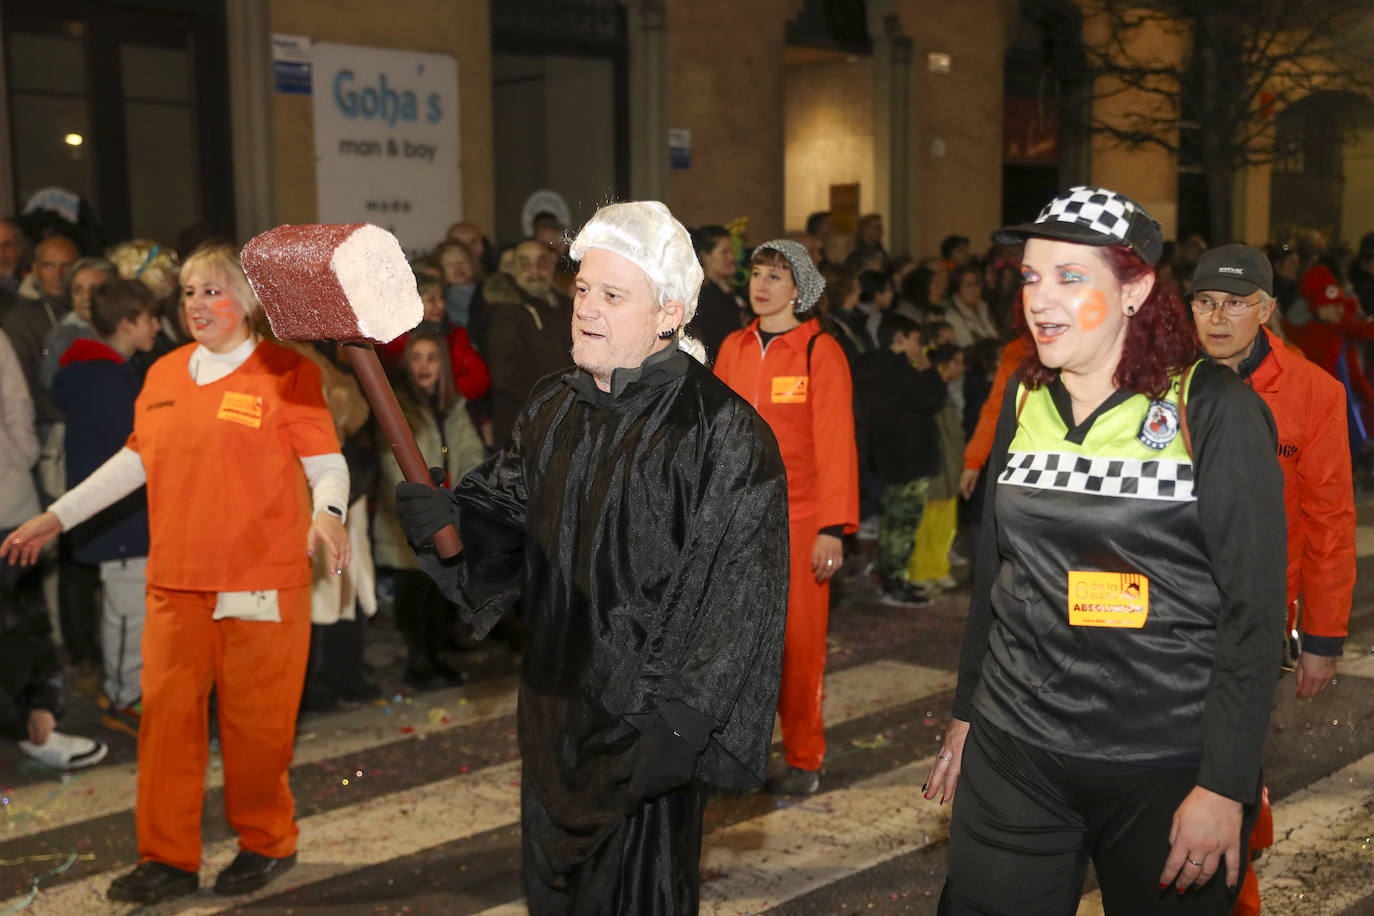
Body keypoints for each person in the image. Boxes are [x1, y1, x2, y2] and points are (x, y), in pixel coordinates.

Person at [393, 200, 788, 913]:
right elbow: (505, 521)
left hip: (643, 739)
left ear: (668, 313)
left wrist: (682, 726)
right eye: (582, 290)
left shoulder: (724, 433)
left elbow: (741, 597)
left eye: (612, 295)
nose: (586, 309)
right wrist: (446, 517)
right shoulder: (553, 407)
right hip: (552, 721)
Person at [925, 187, 1285, 914]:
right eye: (1030, 276)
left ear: (1136, 289)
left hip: (1164, 760)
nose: (1040, 299)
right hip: (1016, 745)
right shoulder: (1023, 400)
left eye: (1069, 276)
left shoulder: (1212, 407)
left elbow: (1254, 612)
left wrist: (1225, 785)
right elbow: (995, 574)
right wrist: (968, 714)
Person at [1, 244, 350, 905]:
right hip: (177, 583)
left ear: (247, 303)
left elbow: (326, 464)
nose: (198, 305)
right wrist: (57, 517)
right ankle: (167, 858)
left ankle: (266, 842)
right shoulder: (160, 375)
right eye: (189, 293)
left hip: (260, 583)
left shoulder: (285, 372)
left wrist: (328, 515)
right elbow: (135, 462)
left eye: (214, 292)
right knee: (165, 727)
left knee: (255, 729)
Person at [1187, 245, 1356, 916]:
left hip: (1254, 624)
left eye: (1237, 303)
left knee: (1223, 768)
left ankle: (1236, 884)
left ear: (1265, 310)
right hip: (1167, 614)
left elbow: (1329, 521)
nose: (1220, 317)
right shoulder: (1160, 383)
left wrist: (1322, 634)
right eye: (1206, 303)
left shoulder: (1313, 393)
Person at [714, 238, 859, 796]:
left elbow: (836, 444)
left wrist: (833, 527)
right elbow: (716, 435)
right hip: (737, 518)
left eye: (777, 276)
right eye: (757, 273)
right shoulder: (733, 346)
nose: (763, 284)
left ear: (799, 290)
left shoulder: (819, 351)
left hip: (800, 520)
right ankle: (736, 752)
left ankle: (804, 758)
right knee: (736, 642)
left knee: (798, 644)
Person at [49, 279, 161, 735]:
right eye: (150, 318)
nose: (157, 326)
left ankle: (131, 689)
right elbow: (127, 456)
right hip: (120, 519)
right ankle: (122, 697)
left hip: (125, 516)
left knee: (133, 607)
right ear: (126, 323)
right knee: (127, 612)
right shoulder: (106, 380)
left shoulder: (110, 372)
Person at [373, 329, 485, 688]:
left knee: (443, 596)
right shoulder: (397, 406)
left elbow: (469, 451)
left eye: (432, 358)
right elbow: (393, 462)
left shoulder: (452, 406)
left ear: (443, 366)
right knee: (416, 595)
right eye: (417, 358)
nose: (424, 366)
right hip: (413, 520)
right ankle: (419, 664)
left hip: (449, 514)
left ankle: (437, 659)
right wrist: (423, 499)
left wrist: (464, 494)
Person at [853, 315, 943, 605]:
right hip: (908, 460)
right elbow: (932, 399)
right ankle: (894, 582)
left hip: (881, 457)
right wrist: (930, 372)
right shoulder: (901, 370)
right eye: (916, 339)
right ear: (900, 338)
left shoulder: (866, 366)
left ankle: (889, 577)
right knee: (901, 524)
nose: (920, 347)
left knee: (890, 523)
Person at [485, 239, 573, 448]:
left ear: (552, 266)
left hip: (567, 424)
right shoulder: (505, 312)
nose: (535, 271)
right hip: (524, 430)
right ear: (513, 270)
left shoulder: (569, 308)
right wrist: (553, 403)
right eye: (525, 264)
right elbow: (505, 376)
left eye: (542, 262)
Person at [908, 342, 965, 593]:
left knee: (945, 523)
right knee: (926, 522)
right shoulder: (929, 393)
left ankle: (939, 568)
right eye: (957, 362)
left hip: (951, 467)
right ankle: (920, 571)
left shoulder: (946, 392)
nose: (961, 367)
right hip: (935, 468)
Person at [687, 224, 745, 363]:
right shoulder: (703, 297)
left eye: (732, 251)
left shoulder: (726, 292)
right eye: (724, 252)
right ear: (706, 256)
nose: (732, 257)